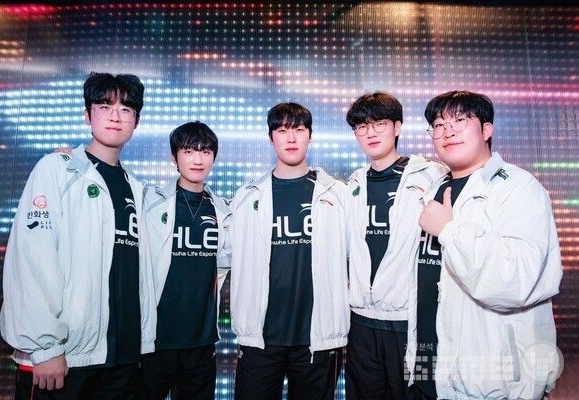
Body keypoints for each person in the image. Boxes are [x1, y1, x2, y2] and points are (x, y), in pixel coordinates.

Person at [0, 72, 156, 399]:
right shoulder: (58, 169)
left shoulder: (136, 188)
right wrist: (45, 347)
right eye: (104, 106)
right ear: (87, 115)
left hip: (123, 357)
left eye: (126, 109)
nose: (115, 116)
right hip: (65, 357)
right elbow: (32, 259)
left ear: (136, 121)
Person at [407, 90, 563, 399]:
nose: (447, 131)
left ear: (487, 129)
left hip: (491, 382)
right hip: (430, 369)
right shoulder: (433, 190)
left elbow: (515, 282)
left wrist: (449, 230)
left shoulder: (518, 188)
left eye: (460, 120)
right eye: (438, 125)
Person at [230, 103, 349, 400]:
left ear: (310, 135)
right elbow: (225, 259)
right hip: (260, 337)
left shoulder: (337, 194)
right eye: (282, 130)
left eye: (298, 129)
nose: (291, 137)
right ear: (271, 138)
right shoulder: (246, 197)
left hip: (318, 338)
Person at [345, 92, 448, 400]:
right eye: (362, 126)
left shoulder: (432, 176)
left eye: (380, 123)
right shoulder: (352, 185)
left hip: (410, 322)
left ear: (398, 127)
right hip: (360, 322)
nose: (371, 132)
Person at [139, 121, 230, 400]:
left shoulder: (223, 210)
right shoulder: (150, 202)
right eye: (189, 151)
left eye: (205, 151)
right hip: (156, 339)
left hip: (201, 341)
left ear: (214, 157)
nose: (197, 159)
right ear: (174, 157)